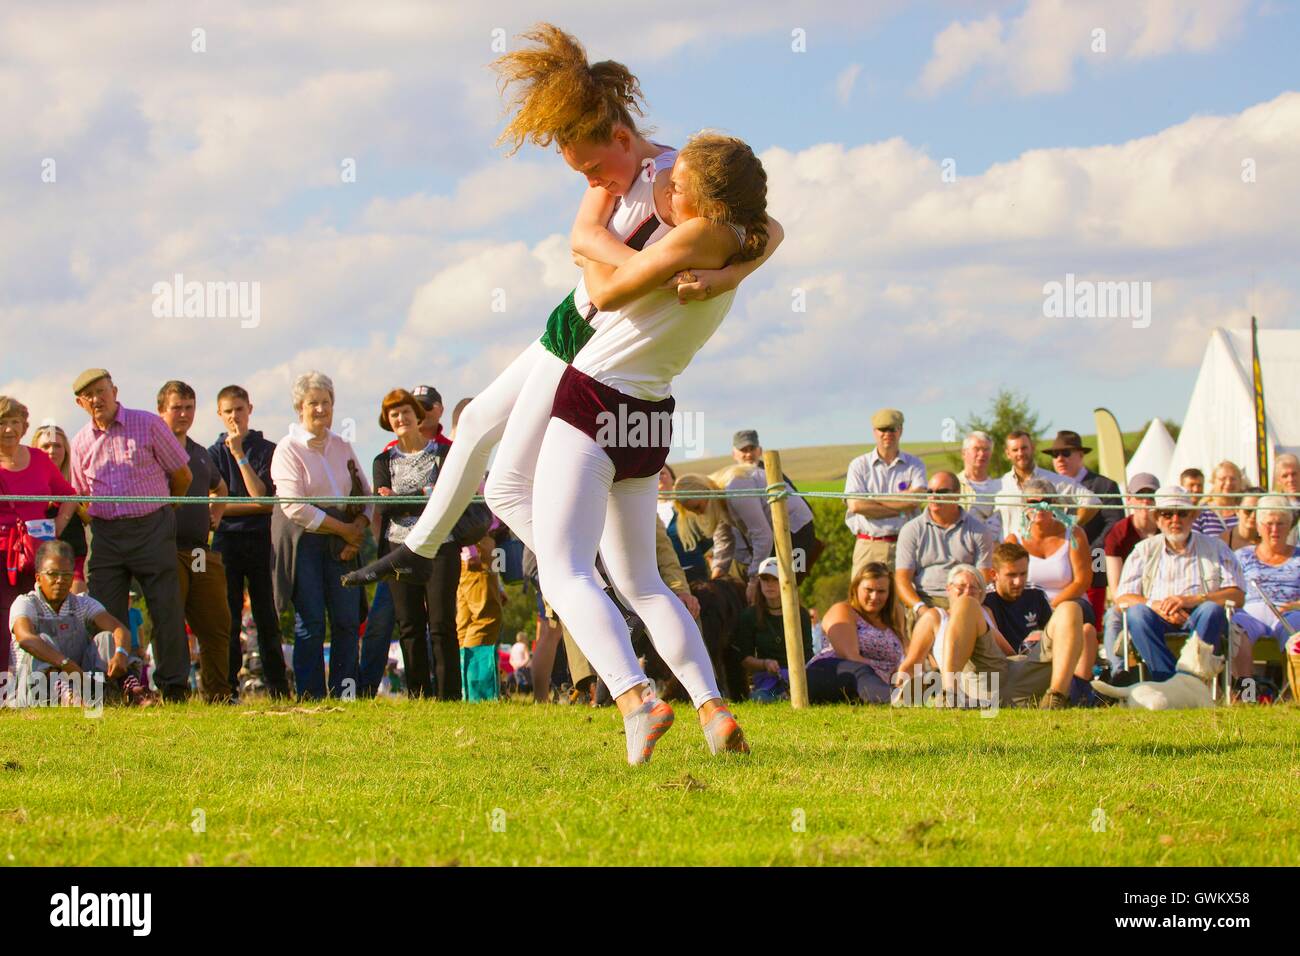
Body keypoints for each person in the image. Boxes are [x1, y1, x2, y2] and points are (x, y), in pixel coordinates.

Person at [343, 24, 781, 589]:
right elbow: (581, 239)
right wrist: (644, 269)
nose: (591, 181)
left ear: (623, 139)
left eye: (593, 169)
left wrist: (725, 276)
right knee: (475, 421)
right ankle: (428, 545)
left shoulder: (679, 181)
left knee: (505, 482)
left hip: (594, 337)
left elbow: (768, 226)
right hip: (570, 317)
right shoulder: (614, 181)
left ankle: (588, 580)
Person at [530, 131, 771, 764]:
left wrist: (589, 219)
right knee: (641, 581)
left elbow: (605, 291)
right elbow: (771, 230)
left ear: (702, 199)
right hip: (649, 418)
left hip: (595, 399)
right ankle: (712, 708)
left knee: (565, 570)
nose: (664, 182)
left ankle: (635, 699)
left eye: (677, 180)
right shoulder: (736, 243)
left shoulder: (691, 239)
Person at [68, 369, 193, 702]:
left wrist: (168, 510)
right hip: (105, 534)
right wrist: (97, 524)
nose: (97, 399)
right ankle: (121, 686)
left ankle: (174, 687)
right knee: (105, 614)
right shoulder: (80, 442)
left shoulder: (148, 424)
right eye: (89, 395)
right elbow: (81, 497)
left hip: (152, 526)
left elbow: (182, 475)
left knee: (165, 609)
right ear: (81, 403)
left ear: (115, 390)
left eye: (101, 391)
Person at [270, 371, 372, 699]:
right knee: (311, 621)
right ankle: (310, 694)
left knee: (346, 619)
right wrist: (343, 530)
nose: (320, 409)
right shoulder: (288, 449)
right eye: (313, 403)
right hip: (306, 542)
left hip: (344, 542)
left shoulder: (343, 445)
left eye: (326, 402)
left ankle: (346, 692)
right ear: (299, 407)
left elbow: (367, 496)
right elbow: (294, 507)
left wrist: (357, 531)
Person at [371, 388, 460, 699]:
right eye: (394, 414)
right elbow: (384, 507)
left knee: (441, 622)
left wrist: (401, 499)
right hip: (399, 549)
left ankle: (449, 695)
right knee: (409, 624)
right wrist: (425, 494)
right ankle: (418, 693)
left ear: (417, 415)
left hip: (441, 545)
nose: (401, 418)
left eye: (406, 412)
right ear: (388, 421)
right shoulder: (383, 459)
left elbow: (447, 498)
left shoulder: (443, 454)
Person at [897, 565, 1081, 709]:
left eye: (973, 588)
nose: (967, 591)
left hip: (1006, 675)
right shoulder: (935, 616)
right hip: (971, 681)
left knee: (1071, 609)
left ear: (982, 593)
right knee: (966, 605)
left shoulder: (983, 613)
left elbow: (1007, 652)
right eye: (961, 587)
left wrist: (1029, 655)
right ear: (948, 589)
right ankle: (949, 695)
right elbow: (913, 660)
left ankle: (1056, 697)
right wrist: (902, 684)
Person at [1113, 486, 1245, 682]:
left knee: (1211, 610)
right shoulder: (1143, 550)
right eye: (1167, 514)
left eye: (1182, 513)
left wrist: (1192, 600)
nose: (1175, 520)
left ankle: (1189, 680)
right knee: (1137, 613)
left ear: (1192, 517)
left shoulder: (1216, 547)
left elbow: (1237, 596)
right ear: (1157, 519)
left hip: (1199, 615)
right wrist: (1155, 605)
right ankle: (1170, 680)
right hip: (1158, 616)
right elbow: (1122, 597)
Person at [208, 385, 290, 698]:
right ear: (219, 414)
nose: (234, 417)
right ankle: (226, 688)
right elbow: (210, 504)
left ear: (249, 409)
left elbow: (264, 500)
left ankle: (278, 688)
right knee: (225, 617)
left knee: (267, 615)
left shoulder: (267, 450)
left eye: (239, 410)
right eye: (227, 411)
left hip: (260, 540)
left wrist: (239, 454)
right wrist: (240, 506)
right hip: (225, 542)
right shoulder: (211, 453)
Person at [156, 381, 232, 702]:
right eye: (177, 407)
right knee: (170, 626)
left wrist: (216, 514)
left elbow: (222, 488)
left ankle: (217, 694)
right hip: (165, 550)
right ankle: (174, 693)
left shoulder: (201, 453)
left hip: (201, 551)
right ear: (161, 411)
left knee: (216, 625)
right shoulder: (152, 451)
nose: (184, 414)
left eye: (189, 407)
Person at [0, 396, 78, 677]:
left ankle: (46, 681)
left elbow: (69, 495)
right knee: (4, 617)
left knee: (41, 614)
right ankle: (4, 686)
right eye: (3, 423)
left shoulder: (39, 460)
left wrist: (58, 524)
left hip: (37, 554)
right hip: (2, 555)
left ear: (24, 426)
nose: (9, 429)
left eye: (15, 423)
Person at [5, 541, 134, 707]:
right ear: (38, 577)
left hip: (80, 683)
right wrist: (66, 663)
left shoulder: (83, 603)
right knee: (40, 640)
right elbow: (25, 639)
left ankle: (116, 692)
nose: (59, 581)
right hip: (33, 689)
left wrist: (121, 653)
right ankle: (65, 695)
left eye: (66, 575)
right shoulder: (26, 603)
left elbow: (118, 628)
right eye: (52, 574)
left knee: (106, 638)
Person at [674, 461, 815, 598]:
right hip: (775, 536)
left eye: (698, 507)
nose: (700, 513)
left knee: (779, 591)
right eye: (694, 511)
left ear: (705, 491)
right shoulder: (717, 498)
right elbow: (723, 540)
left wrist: (754, 580)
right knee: (770, 593)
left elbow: (762, 536)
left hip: (796, 532)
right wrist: (717, 575)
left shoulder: (735, 488)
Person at [1006, 478, 1098, 680]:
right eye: (1033, 502)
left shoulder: (1074, 534)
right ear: (1024, 506)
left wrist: (1053, 606)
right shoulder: (1014, 540)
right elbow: (1007, 583)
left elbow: (1083, 581)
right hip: (1030, 607)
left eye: (1046, 501)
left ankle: (1078, 684)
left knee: (1077, 621)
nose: (1040, 506)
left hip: (1072, 603)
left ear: (1055, 504)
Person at [982, 542, 1088, 707]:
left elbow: (1054, 633)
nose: (1018, 581)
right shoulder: (984, 600)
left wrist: (1041, 634)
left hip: (1034, 664)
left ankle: (1057, 697)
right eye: (1011, 575)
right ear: (994, 574)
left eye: (1023, 574)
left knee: (1072, 609)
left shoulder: (1036, 594)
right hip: (1000, 670)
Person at [1043, 430, 1122, 624]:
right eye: (1055, 455)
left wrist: (1088, 548)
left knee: (1089, 620)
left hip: (1094, 557)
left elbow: (1114, 524)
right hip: (1057, 562)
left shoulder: (1104, 486)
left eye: (1066, 453)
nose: (1060, 459)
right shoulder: (1049, 487)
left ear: (1081, 455)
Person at [894, 470, 993, 616]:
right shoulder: (911, 530)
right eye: (929, 491)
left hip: (965, 600)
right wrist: (922, 610)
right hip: (924, 600)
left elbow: (983, 578)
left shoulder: (979, 530)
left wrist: (963, 606)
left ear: (957, 494)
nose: (934, 496)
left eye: (941, 491)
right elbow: (902, 579)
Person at [805, 563, 905, 704]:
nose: (874, 596)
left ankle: (900, 694)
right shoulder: (843, 610)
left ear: (889, 593)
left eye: (881, 591)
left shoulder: (895, 615)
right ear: (856, 588)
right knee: (860, 671)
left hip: (875, 684)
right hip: (829, 671)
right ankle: (894, 697)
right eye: (868, 590)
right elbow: (850, 656)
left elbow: (904, 656)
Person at [843, 408, 926, 578]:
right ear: (874, 432)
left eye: (892, 429)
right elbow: (857, 505)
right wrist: (902, 508)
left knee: (904, 602)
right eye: (882, 429)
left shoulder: (915, 464)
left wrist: (873, 500)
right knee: (863, 601)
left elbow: (916, 500)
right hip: (869, 545)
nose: (887, 434)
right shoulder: (859, 465)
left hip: (906, 546)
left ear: (900, 431)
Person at [730, 429, 820, 578]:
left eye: (752, 449)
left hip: (795, 537)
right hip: (767, 541)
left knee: (790, 581)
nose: (748, 454)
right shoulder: (735, 478)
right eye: (743, 450)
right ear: (734, 454)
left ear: (760, 450)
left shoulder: (772, 473)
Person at [1229, 495, 1300, 679]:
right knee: (1237, 632)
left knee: (1297, 636)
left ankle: (1292, 695)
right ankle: (1248, 694)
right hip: (1250, 613)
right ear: (1259, 527)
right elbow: (1230, 589)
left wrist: (1296, 605)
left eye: (1281, 523)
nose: (1274, 529)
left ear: (1290, 526)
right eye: (1269, 523)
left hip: (1291, 613)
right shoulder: (1241, 556)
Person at [995, 430, 1098, 546]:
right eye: (1015, 450)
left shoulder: (1055, 481)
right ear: (1008, 453)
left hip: (1047, 554)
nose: (1020, 453)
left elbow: (1093, 501)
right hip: (1012, 556)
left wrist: (1068, 528)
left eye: (1024, 448)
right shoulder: (999, 485)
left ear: (1032, 448)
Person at [1101, 472, 1161, 672]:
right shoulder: (1118, 534)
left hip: (1165, 598)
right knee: (1112, 617)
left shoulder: (1167, 529)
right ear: (1129, 499)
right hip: (1130, 600)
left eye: (1150, 496)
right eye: (1140, 496)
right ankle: (1118, 672)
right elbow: (1117, 591)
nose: (1145, 502)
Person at [733, 557, 813, 701]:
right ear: (759, 583)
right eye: (765, 579)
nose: (770, 585)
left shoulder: (801, 614)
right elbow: (745, 658)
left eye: (775, 579)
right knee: (760, 698)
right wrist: (765, 663)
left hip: (800, 679)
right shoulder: (749, 615)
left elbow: (808, 654)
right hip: (767, 680)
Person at [32, 424, 90, 594]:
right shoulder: (27, 484)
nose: (52, 451)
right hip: (37, 563)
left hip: (75, 558)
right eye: (45, 446)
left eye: (57, 445)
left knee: (75, 612)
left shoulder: (77, 480)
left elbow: (92, 517)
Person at [956, 430, 1002, 539]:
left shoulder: (1000, 486)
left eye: (986, 449)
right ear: (964, 453)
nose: (982, 454)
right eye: (976, 449)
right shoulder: (953, 485)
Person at [1195, 460, 1244, 536]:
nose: (1228, 483)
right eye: (1223, 479)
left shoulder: (1247, 512)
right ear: (1213, 482)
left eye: (1233, 479)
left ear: (1240, 482)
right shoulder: (1200, 513)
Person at [1222, 487, 1263, 551]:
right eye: (1248, 510)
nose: (1253, 515)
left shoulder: (1270, 540)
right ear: (1237, 510)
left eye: (1259, 511)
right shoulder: (1223, 541)